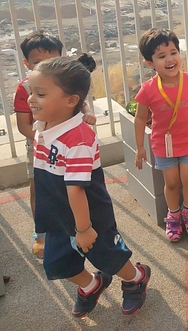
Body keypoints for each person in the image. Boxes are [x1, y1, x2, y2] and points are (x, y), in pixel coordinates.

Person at [30, 56, 150, 317]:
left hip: (89, 217)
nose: (31, 99)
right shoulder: (44, 126)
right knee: (58, 263)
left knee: (111, 258)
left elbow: (76, 188)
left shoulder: (79, 139)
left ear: (71, 101)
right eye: (32, 92)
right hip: (59, 215)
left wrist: (83, 229)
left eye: (39, 94)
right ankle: (91, 284)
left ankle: (136, 277)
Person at [13, 30, 96, 260]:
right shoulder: (23, 89)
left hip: (66, 141)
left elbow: (80, 102)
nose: (47, 66)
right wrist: (45, 141)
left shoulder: (64, 84)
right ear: (27, 63)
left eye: (52, 60)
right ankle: (41, 230)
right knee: (39, 186)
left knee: (69, 186)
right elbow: (23, 125)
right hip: (39, 142)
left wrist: (88, 112)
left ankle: (70, 224)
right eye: (39, 62)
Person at [134, 28, 188, 242]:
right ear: (150, 63)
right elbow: (140, 118)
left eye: (173, 52)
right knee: (173, 183)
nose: (170, 59)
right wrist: (140, 147)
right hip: (163, 145)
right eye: (161, 56)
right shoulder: (148, 89)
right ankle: (173, 214)